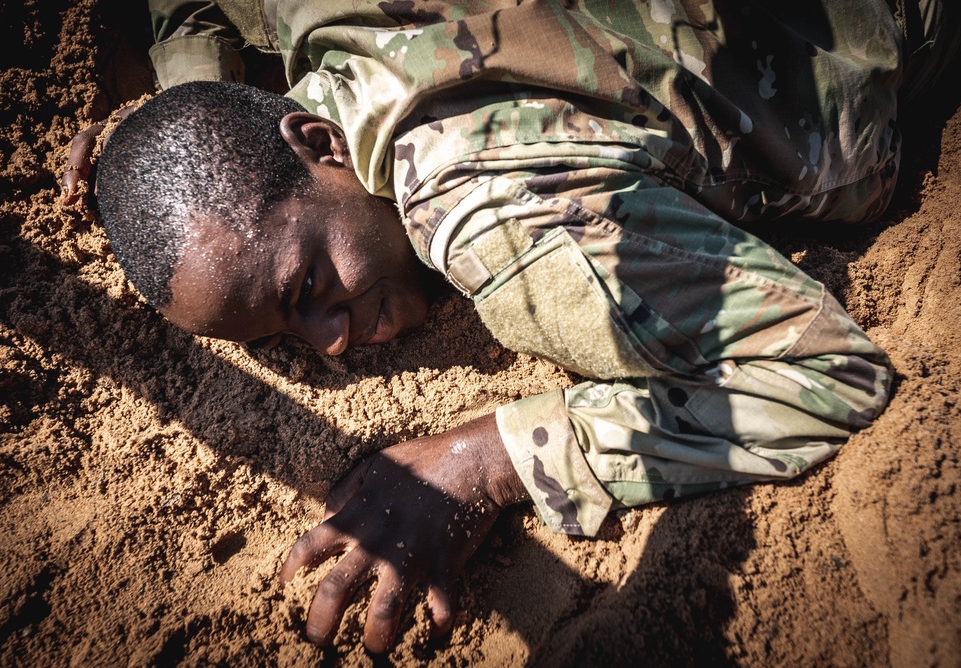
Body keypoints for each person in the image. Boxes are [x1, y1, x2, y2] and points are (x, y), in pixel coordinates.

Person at [70, 0, 956, 654]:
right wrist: (162, 126)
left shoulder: (497, 222)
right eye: (284, 339)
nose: (332, 341)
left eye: (308, 286)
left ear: (318, 142)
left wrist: (484, 460)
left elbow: (825, 371)